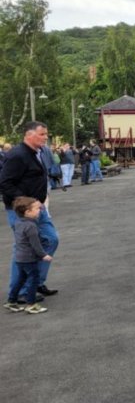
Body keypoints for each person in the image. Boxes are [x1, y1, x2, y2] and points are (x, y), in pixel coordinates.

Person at [0, 121, 60, 299]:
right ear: (29, 134)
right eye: (42, 134)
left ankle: (35, 282)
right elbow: (5, 183)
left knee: (50, 239)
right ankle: (22, 292)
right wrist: (26, 204)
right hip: (22, 212)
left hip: (37, 209)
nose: (46, 137)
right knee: (24, 249)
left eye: (46, 134)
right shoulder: (17, 155)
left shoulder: (37, 153)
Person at [5, 197, 51, 314]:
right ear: (27, 212)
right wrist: (43, 255)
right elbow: (35, 244)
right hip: (29, 258)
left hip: (19, 257)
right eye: (37, 208)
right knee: (33, 279)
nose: (40, 210)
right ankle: (31, 304)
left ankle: (11, 300)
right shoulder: (31, 226)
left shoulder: (18, 222)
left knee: (20, 279)